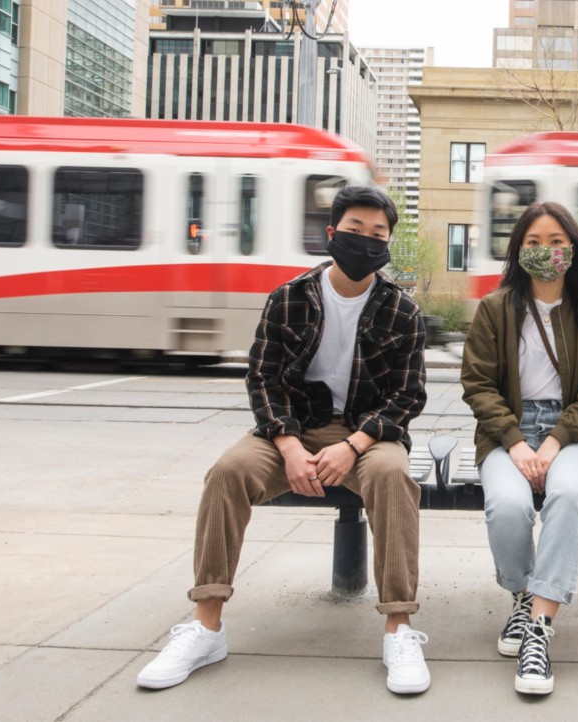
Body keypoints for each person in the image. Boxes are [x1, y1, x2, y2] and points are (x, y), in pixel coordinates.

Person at [136, 186, 430, 695]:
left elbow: (407, 396)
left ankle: (398, 629)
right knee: (227, 473)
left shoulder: (401, 311)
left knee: (391, 475)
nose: (365, 242)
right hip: (291, 429)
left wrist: (353, 445)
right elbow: (262, 379)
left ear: (388, 244)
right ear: (332, 234)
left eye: (377, 235)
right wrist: (291, 446)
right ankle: (206, 625)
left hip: (366, 435)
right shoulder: (289, 298)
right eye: (354, 231)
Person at [461, 201, 578, 695]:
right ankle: (524, 596)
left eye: (555, 242)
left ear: (572, 249)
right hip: (506, 430)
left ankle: (539, 628)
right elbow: (478, 384)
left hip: (572, 433)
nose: (545, 251)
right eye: (533, 242)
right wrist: (513, 440)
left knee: (568, 495)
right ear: (517, 249)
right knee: (507, 505)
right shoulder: (495, 309)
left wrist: (552, 442)